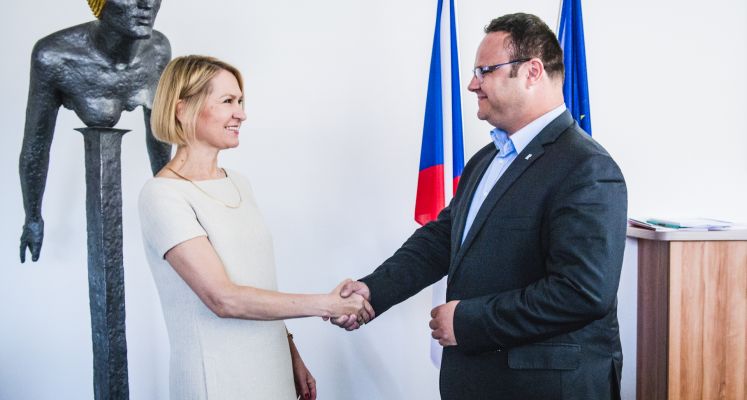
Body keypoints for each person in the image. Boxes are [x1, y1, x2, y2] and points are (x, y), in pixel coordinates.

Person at [332, 13, 627, 400]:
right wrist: (372, 291)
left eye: (485, 71)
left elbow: (581, 293)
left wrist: (468, 322)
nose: (472, 84)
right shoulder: (486, 160)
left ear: (532, 72)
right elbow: (441, 241)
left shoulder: (587, 168)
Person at [139, 55, 372, 400]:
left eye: (240, 101)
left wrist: (289, 351)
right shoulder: (162, 195)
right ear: (182, 109)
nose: (241, 114)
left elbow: (257, 283)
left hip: (270, 369)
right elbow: (223, 298)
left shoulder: (239, 183)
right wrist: (328, 304)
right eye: (227, 101)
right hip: (218, 379)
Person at [19, 0, 172, 262]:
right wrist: (32, 217)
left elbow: (160, 136)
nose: (145, 4)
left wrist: (169, 203)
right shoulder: (54, 57)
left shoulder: (158, 50)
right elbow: (36, 146)